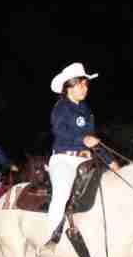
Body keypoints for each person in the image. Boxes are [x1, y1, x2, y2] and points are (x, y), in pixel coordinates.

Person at [47, 63, 119, 241]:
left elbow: (93, 140)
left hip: (86, 161)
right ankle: (50, 238)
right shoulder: (61, 107)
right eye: (80, 83)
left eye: (86, 84)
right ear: (69, 86)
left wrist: (111, 161)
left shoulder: (86, 111)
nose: (84, 88)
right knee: (62, 192)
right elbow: (59, 131)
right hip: (64, 159)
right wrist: (82, 140)